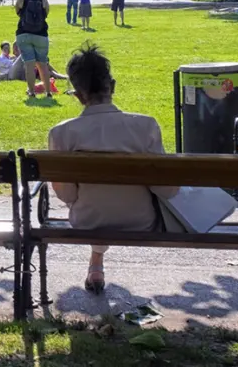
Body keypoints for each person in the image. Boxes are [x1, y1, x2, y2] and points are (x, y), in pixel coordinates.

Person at [47, 44, 178, 294]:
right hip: (141, 221)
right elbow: (165, 189)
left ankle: (96, 263)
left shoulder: (61, 133)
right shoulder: (146, 126)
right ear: (113, 86)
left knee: (98, 202)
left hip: (86, 222)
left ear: (77, 95)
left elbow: (67, 195)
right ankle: (96, 263)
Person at [14, 0, 54, 100]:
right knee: (43, 65)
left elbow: (17, 9)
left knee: (29, 65)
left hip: (24, 34)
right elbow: (47, 11)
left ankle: (31, 92)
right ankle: (48, 92)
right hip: (41, 34)